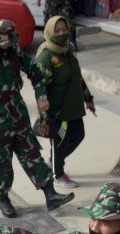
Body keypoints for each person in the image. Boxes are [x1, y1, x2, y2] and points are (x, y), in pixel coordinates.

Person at [0, 19, 74, 218]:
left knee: (32, 155)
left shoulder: (14, 52)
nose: (9, 47)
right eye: (5, 44)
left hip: (18, 115)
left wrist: (41, 96)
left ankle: (51, 195)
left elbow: (34, 71)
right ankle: (4, 199)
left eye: (11, 43)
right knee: (1, 164)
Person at [36, 15, 95, 189]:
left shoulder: (67, 52)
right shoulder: (46, 57)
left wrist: (88, 99)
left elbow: (78, 78)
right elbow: (40, 88)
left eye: (64, 29)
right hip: (58, 111)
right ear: (49, 32)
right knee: (60, 141)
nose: (62, 33)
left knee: (78, 135)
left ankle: (54, 161)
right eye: (58, 30)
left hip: (73, 108)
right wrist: (44, 115)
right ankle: (58, 175)